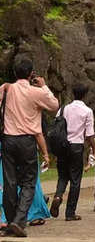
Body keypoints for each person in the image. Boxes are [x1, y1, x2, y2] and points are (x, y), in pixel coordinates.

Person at [0, 58, 59, 237]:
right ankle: (19, 221)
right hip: (27, 141)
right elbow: (54, 105)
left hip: (8, 139)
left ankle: (11, 222)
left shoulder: (6, 89)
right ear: (30, 74)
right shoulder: (36, 92)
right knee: (28, 182)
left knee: (9, 182)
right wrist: (44, 86)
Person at [51, 83, 95, 222]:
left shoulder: (63, 109)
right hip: (76, 146)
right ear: (85, 95)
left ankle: (58, 196)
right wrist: (94, 148)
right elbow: (89, 134)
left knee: (63, 176)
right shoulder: (87, 111)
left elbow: (56, 127)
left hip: (62, 146)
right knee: (75, 180)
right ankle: (70, 213)